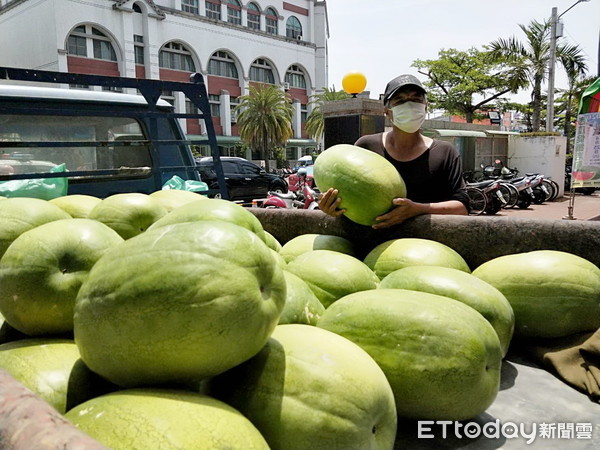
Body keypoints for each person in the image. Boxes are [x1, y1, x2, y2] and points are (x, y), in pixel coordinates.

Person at [319, 74, 469, 229]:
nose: (409, 105)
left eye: (416, 99)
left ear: (426, 106)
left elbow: (462, 208)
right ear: (387, 111)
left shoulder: (445, 152)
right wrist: (331, 206)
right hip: (369, 243)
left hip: (425, 246)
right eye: (401, 101)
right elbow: (348, 195)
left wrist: (417, 209)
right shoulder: (366, 145)